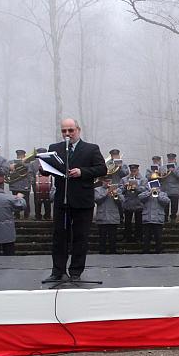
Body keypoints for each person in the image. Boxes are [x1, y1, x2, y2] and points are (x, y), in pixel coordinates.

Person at [43, 118, 107, 282]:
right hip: (61, 200)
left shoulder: (91, 148)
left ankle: (76, 272)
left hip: (83, 201)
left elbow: (102, 169)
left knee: (80, 237)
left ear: (78, 130)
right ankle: (58, 271)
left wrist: (82, 172)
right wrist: (42, 165)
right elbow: (46, 171)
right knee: (59, 237)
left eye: (70, 130)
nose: (67, 134)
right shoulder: (54, 148)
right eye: (64, 131)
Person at [0, 175, 26, 255]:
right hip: (7, 232)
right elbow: (22, 206)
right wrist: (19, 197)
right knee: (9, 254)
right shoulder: (10, 198)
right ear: (2, 185)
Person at [139, 182, 170, 254]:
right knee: (146, 237)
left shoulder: (162, 194)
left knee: (158, 237)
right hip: (148, 219)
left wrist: (158, 195)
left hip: (158, 219)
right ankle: (146, 251)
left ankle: (158, 250)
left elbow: (167, 201)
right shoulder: (146, 193)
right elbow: (140, 197)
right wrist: (149, 193)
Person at [94, 177, 123, 254]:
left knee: (113, 237)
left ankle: (113, 252)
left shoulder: (117, 190)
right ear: (102, 181)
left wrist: (115, 195)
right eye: (106, 181)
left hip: (113, 217)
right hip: (102, 217)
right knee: (102, 237)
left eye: (109, 181)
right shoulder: (97, 190)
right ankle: (102, 252)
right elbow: (97, 200)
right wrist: (107, 192)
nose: (107, 182)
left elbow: (122, 201)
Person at [121, 164, 146, 243]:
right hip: (128, 202)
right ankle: (127, 237)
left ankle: (138, 237)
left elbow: (145, 190)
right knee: (127, 222)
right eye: (132, 171)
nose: (133, 172)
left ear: (138, 170)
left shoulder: (143, 179)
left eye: (135, 171)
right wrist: (125, 187)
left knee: (139, 222)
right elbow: (120, 190)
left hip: (139, 203)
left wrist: (136, 187)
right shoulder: (124, 179)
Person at [8, 149, 32, 219]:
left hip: (25, 185)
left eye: (21, 155)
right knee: (15, 200)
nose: (20, 156)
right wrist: (11, 167)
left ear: (24, 155)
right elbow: (7, 171)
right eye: (19, 155)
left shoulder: (28, 163)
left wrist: (23, 163)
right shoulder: (11, 162)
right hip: (14, 184)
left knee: (26, 201)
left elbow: (30, 172)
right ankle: (16, 215)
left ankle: (26, 215)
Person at [162, 152, 179, 222]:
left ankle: (173, 219)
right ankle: (165, 219)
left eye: (172, 159)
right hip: (165, 190)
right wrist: (163, 173)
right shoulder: (163, 167)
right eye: (169, 159)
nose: (170, 160)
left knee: (174, 206)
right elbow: (160, 177)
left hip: (175, 190)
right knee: (165, 206)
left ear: (175, 159)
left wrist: (173, 170)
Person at [107, 148, 129, 223]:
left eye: (116, 155)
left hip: (120, 186)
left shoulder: (123, 164)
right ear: (111, 156)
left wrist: (120, 167)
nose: (115, 156)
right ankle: (110, 218)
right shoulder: (108, 163)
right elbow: (105, 173)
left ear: (118, 155)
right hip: (110, 185)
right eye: (113, 155)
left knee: (119, 202)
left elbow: (126, 174)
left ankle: (121, 218)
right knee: (110, 202)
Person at [30, 148, 52, 220]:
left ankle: (47, 215)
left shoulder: (49, 162)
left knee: (47, 200)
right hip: (36, 184)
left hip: (47, 184)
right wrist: (33, 180)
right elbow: (30, 173)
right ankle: (38, 216)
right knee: (37, 200)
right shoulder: (33, 163)